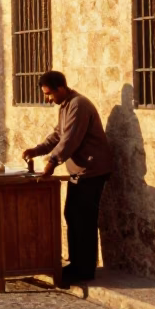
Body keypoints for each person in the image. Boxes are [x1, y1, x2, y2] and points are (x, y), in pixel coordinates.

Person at [22, 70, 114, 287]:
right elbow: (58, 135)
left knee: (84, 218)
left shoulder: (78, 105)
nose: (47, 99)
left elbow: (70, 138)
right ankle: (76, 264)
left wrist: (53, 162)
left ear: (60, 89)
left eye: (49, 94)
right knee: (72, 215)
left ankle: (84, 269)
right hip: (79, 171)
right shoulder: (65, 106)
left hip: (91, 171)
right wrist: (37, 150)